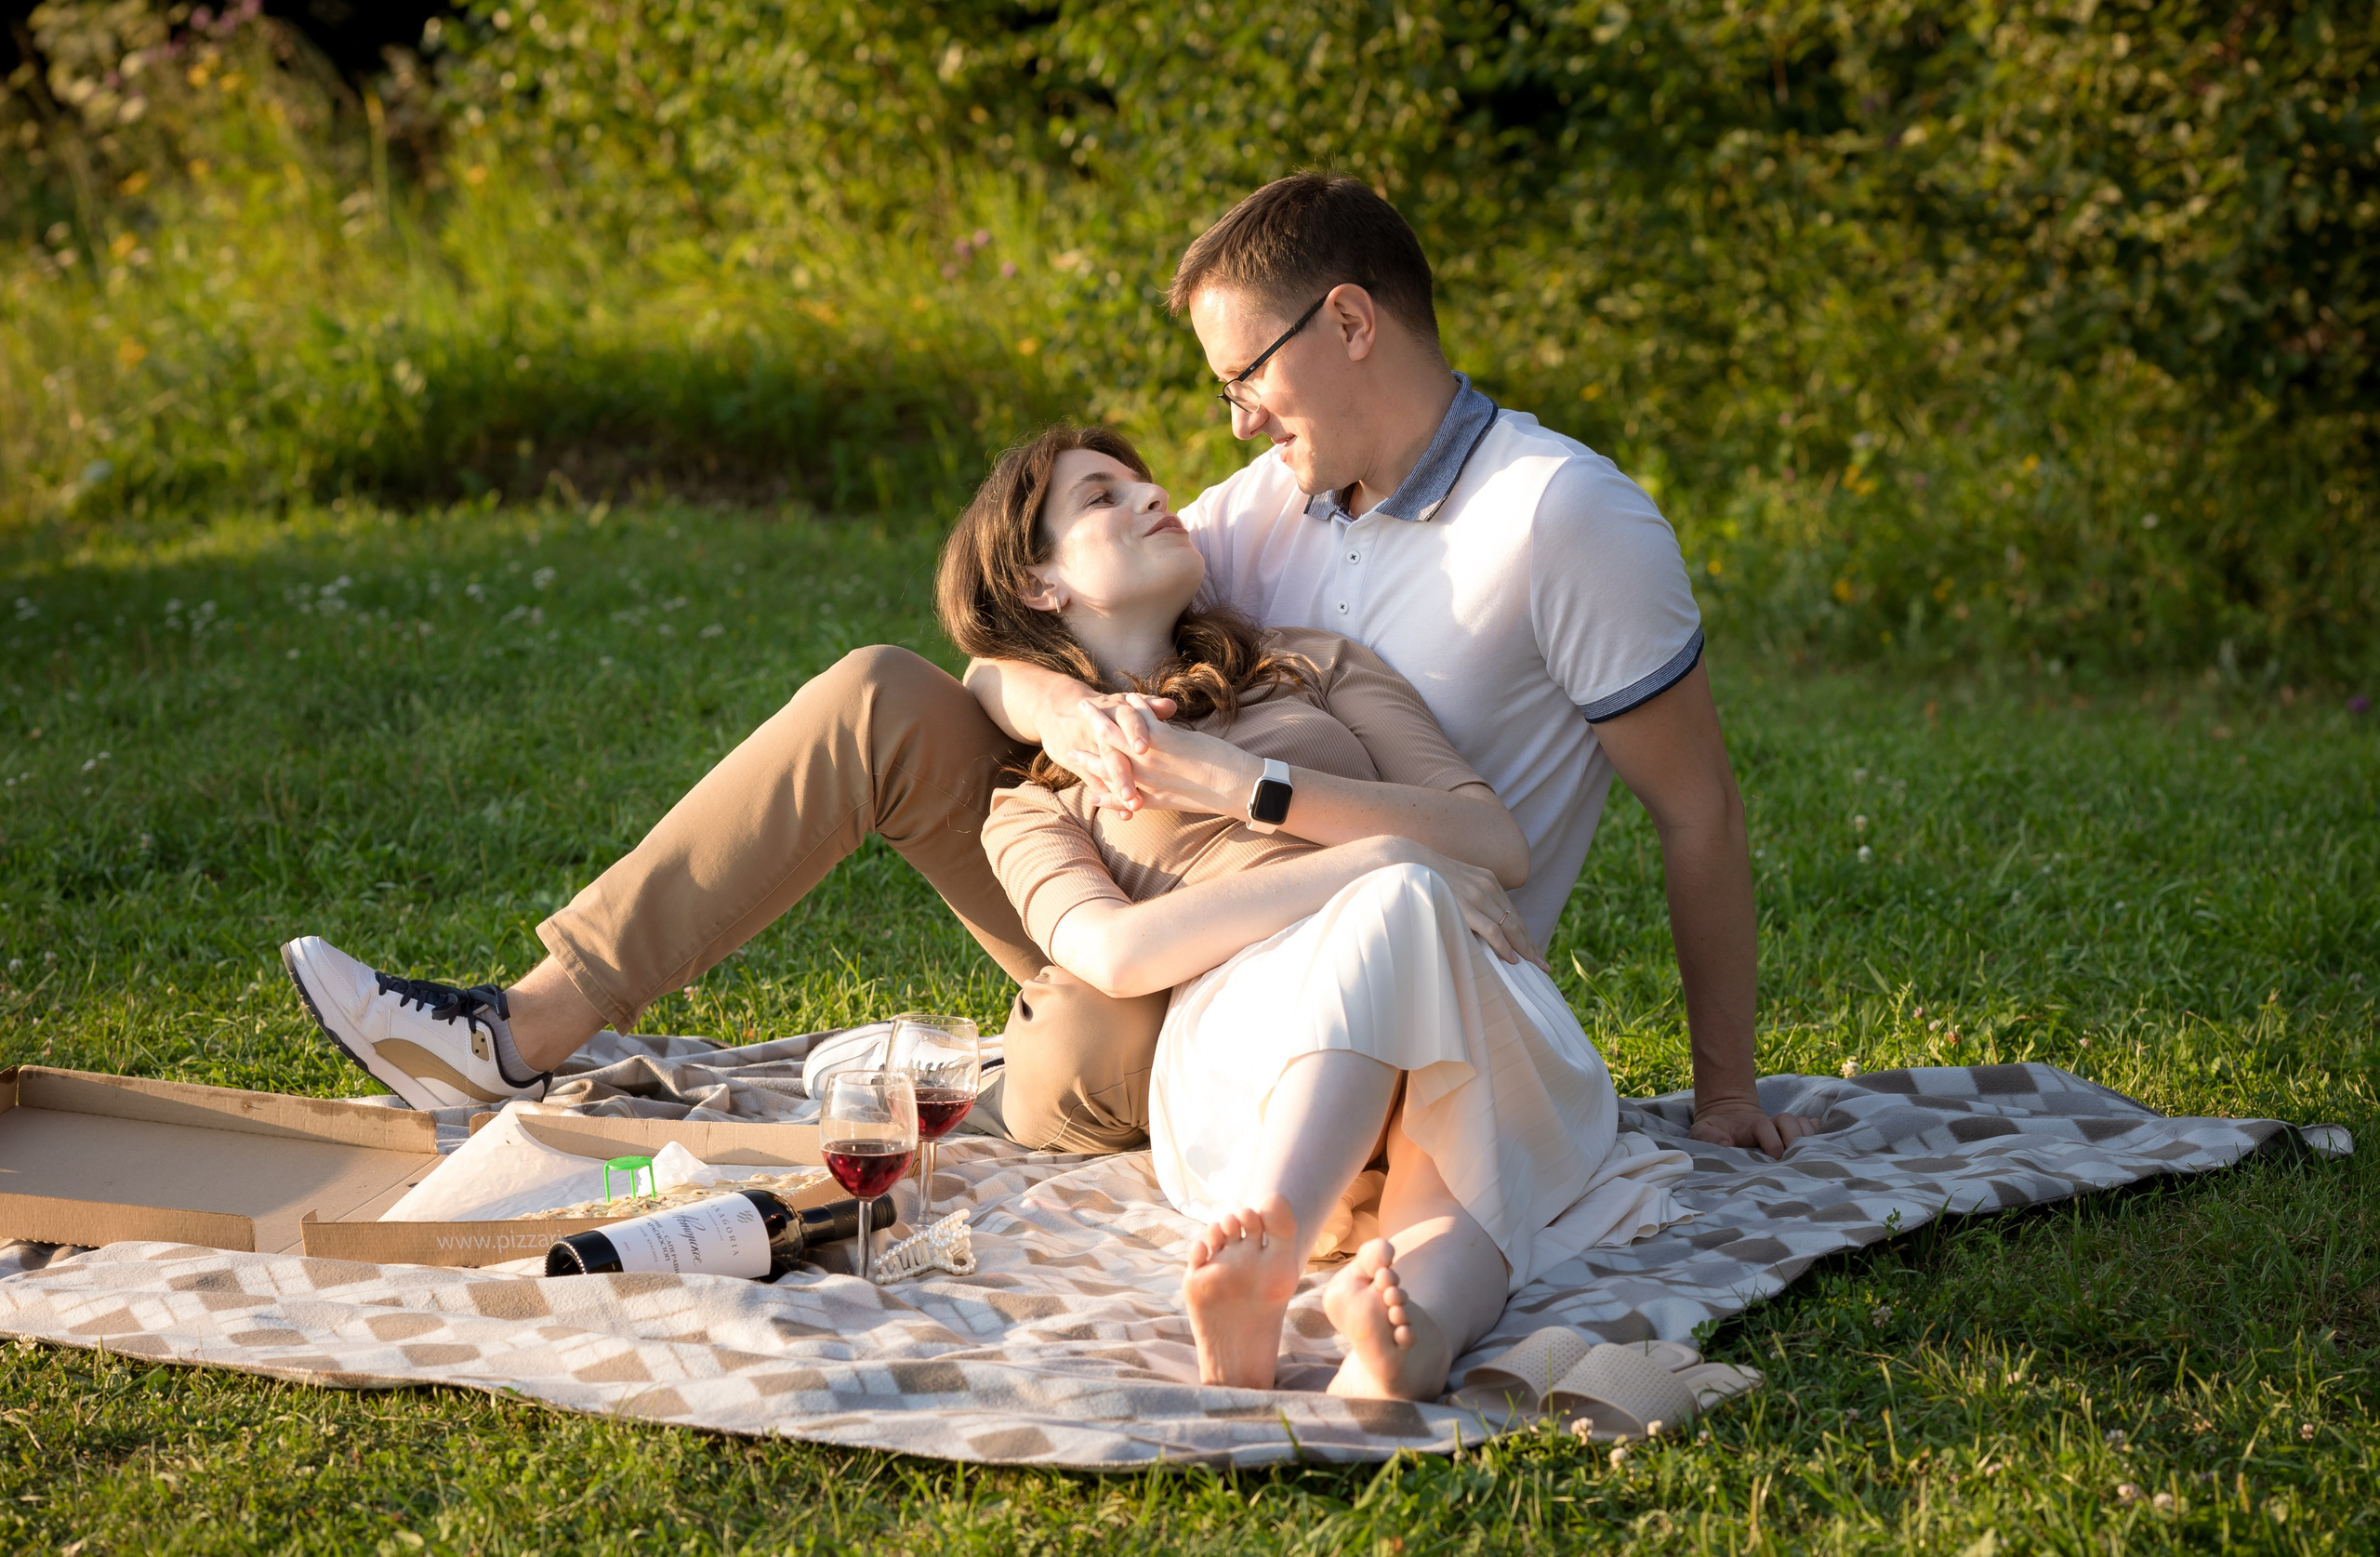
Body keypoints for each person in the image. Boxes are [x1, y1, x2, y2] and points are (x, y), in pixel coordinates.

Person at [282, 170, 1812, 1164]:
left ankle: (1009, 1083)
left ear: (1346, 322)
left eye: (1246, 377)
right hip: (1141, 911)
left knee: (1087, 1025)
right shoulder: (1270, 506)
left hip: (1373, 962)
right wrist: (1058, 705)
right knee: (884, 692)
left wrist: (1727, 1095)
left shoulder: (1561, 521)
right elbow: (1017, 630)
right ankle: (518, 1029)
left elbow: (1701, 816)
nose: (1229, 427)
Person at [948, 423, 1690, 1398]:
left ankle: (1384, 1322)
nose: (1149, 495)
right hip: (1247, 1063)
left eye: (1140, 479)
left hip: (1457, 981)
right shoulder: (1036, 796)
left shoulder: (1309, 664)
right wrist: (1372, 860)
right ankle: (1320, 1258)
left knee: (1422, 960)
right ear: (1039, 584)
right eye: (1100, 497)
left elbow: (1491, 843)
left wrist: (1247, 781)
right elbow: (1117, 955)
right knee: (1400, 903)